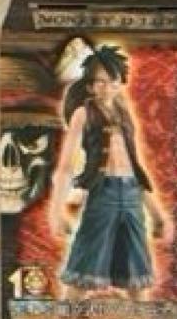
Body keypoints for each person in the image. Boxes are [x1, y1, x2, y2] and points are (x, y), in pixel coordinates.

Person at [49, 45, 168, 299]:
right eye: (100, 82)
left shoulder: (124, 115)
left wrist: (156, 213)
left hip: (132, 195)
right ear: (90, 86)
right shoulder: (83, 113)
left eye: (112, 81)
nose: (107, 87)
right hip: (102, 194)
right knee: (83, 269)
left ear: (119, 82)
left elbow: (135, 167)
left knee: (137, 275)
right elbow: (65, 167)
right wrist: (56, 211)